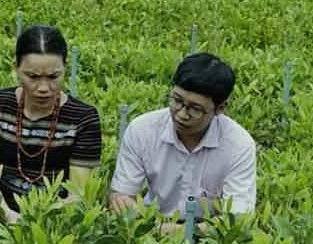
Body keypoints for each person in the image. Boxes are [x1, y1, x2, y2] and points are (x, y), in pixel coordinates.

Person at [108, 52, 257, 226]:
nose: (181, 114)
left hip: (209, 233)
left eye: (195, 109)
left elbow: (238, 219)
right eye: (177, 100)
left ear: (220, 108)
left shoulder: (238, 145)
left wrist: (183, 232)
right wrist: (126, 206)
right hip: (152, 225)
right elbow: (122, 194)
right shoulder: (142, 130)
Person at [0, 25, 103, 220]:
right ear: (16, 69)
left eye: (53, 77)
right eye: (32, 76)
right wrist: (8, 216)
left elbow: (78, 194)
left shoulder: (83, 118)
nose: (43, 88)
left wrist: (35, 222)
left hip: (54, 216)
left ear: (65, 69)